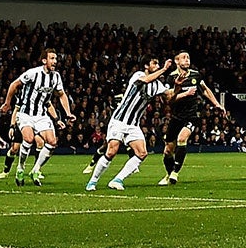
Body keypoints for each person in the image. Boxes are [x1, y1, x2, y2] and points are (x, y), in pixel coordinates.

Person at [84, 56, 173, 192]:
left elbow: (169, 95)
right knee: (112, 151)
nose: (157, 65)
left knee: (142, 153)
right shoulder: (139, 75)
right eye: (154, 63)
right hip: (119, 120)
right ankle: (92, 181)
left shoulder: (157, 85)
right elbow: (146, 80)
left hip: (133, 124)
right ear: (146, 66)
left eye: (158, 63)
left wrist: (179, 87)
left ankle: (117, 180)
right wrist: (164, 69)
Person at [2, 48, 76, 185]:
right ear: (44, 60)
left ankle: (35, 169)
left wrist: (68, 113)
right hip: (25, 113)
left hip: (42, 114)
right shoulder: (33, 73)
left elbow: (61, 94)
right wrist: (7, 103)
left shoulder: (56, 76)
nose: (55, 61)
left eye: (55, 58)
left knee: (52, 142)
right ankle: (20, 168)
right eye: (52, 58)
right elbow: (14, 85)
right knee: (29, 139)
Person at [155, 50, 227, 185]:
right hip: (176, 117)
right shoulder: (171, 78)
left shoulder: (195, 75)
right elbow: (169, 100)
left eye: (188, 57)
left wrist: (217, 104)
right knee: (167, 151)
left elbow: (205, 89)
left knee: (182, 138)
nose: (187, 60)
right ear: (177, 62)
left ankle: (175, 172)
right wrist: (185, 93)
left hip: (192, 116)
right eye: (183, 58)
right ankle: (169, 175)